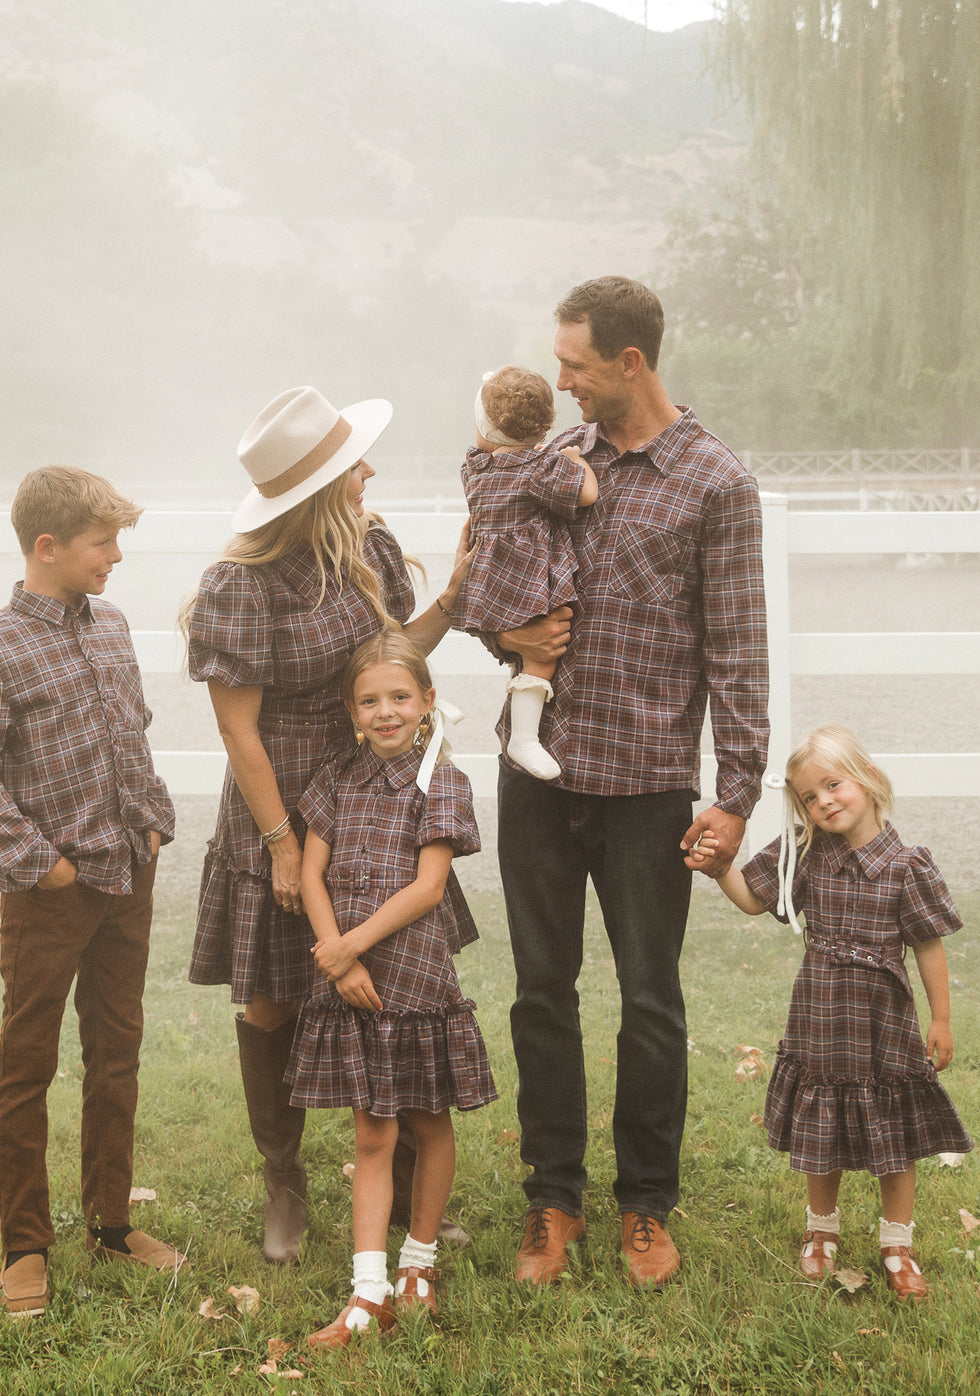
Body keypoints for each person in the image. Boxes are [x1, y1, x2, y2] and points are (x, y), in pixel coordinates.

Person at [484, 275, 769, 1289]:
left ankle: (646, 1205)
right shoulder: (553, 464)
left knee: (651, 1001)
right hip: (537, 776)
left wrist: (735, 793)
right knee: (539, 994)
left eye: (577, 365)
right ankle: (552, 1200)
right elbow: (497, 590)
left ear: (631, 362)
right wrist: (500, 635)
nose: (560, 382)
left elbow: (738, 652)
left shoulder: (716, 485)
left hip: (648, 784)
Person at [183, 387, 474, 1264]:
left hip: (373, 800)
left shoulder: (367, 546)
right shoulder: (239, 584)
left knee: (388, 981)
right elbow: (238, 728)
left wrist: (457, 595)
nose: (371, 473)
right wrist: (278, 842)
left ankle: (405, 1178)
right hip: (278, 803)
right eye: (355, 466)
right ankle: (286, 1184)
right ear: (313, 490)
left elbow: (394, 663)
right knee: (273, 998)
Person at [0, 466, 183, 1318]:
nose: (116, 557)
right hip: (51, 894)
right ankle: (25, 1246)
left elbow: (137, 734)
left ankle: (112, 1225)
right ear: (47, 548)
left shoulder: (112, 626)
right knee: (27, 1064)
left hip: (129, 876)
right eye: (101, 543)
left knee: (116, 1053)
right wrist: (42, 865)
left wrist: (153, 822)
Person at [689, 724, 972, 1301]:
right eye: (809, 798)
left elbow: (928, 945)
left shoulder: (906, 865)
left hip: (883, 1021)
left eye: (833, 786)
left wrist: (940, 1020)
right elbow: (751, 898)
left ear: (867, 780)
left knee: (893, 1135)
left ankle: (898, 1243)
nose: (824, 803)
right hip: (820, 1015)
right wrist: (720, 867)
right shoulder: (805, 851)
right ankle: (821, 1233)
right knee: (822, 1130)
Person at [284, 632, 496, 1349]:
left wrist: (353, 944)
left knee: (429, 1121)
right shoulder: (336, 778)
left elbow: (429, 886)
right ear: (352, 710)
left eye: (400, 697)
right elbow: (313, 874)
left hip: (414, 972)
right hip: (353, 979)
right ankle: (368, 1290)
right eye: (370, 700)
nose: (385, 712)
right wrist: (337, 960)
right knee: (372, 1129)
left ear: (427, 703)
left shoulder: (444, 782)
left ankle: (419, 1267)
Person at [451, 365, 598, 780]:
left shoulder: (474, 470)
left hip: (489, 580)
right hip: (526, 580)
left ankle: (523, 737)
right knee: (542, 656)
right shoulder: (538, 469)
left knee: (529, 650)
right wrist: (574, 459)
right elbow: (587, 494)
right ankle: (525, 736)